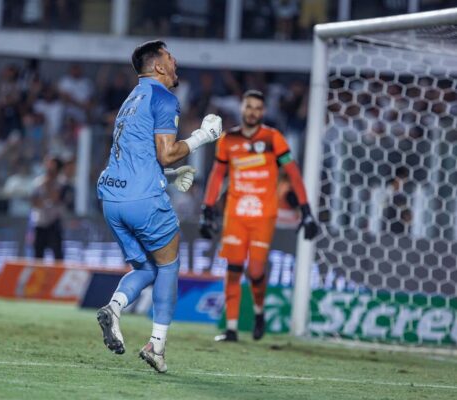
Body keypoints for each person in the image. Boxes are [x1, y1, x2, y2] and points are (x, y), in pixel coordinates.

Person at [96, 40, 221, 373]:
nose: (175, 60)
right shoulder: (164, 97)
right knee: (168, 266)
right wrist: (203, 136)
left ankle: (114, 307)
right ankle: (156, 346)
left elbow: (138, 153)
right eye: (169, 56)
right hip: (141, 200)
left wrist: (168, 172)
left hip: (111, 198)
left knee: (146, 269)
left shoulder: (131, 99)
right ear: (159, 67)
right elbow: (166, 151)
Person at [200, 90, 318, 342]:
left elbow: (294, 174)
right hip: (235, 215)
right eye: (248, 107)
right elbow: (217, 175)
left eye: (257, 108)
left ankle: (259, 311)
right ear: (242, 109)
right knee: (232, 269)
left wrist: (306, 210)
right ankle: (231, 328)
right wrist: (207, 208)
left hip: (263, 215)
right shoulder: (228, 140)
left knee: (255, 271)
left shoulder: (273, 138)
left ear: (262, 112)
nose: (252, 111)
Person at [31, 156, 65, 261]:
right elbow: (35, 202)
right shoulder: (38, 182)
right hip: (40, 223)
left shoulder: (61, 183)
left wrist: (49, 185)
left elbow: (56, 198)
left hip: (54, 223)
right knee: (38, 256)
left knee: (57, 256)